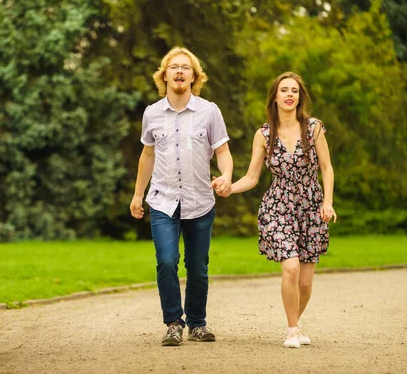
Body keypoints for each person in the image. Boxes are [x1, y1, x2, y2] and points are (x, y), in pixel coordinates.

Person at [213, 71, 336, 348]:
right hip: (277, 207)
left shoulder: (314, 128)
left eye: (294, 90)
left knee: (305, 283)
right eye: (284, 90)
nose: (289, 94)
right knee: (290, 268)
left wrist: (327, 202)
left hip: (311, 207)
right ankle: (293, 329)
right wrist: (229, 187)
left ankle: (295, 322)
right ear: (275, 97)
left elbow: (327, 168)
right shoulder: (264, 134)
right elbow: (252, 177)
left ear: (300, 97)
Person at [129, 46, 233, 346]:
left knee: (198, 268)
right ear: (164, 76)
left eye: (185, 68)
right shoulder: (152, 113)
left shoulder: (209, 111)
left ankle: (197, 324)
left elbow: (223, 151)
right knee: (166, 260)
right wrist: (138, 195)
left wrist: (225, 176)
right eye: (173, 67)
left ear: (194, 76)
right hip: (162, 201)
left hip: (200, 201)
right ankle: (174, 323)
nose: (178, 71)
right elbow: (147, 155)